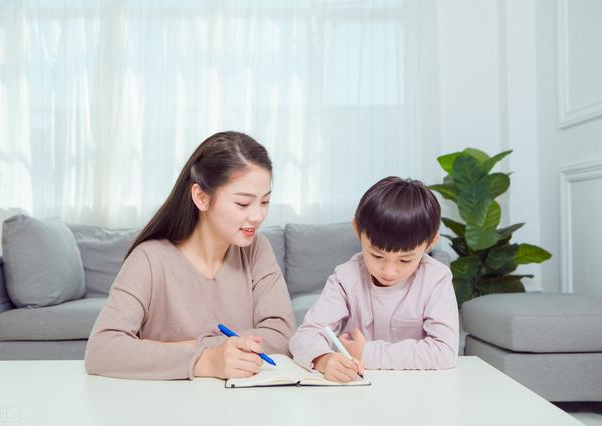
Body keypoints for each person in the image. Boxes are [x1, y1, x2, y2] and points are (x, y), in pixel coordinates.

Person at [85, 131, 295, 380]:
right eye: (243, 203)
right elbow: (102, 350)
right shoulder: (149, 259)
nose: (258, 216)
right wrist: (206, 361)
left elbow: (282, 337)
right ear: (201, 198)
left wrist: (181, 348)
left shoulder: (257, 250)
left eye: (265, 202)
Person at [289, 176, 458, 382]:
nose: (389, 271)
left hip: (417, 388)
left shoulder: (436, 279)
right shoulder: (346, 277)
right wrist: (324, 359)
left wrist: (365, 353)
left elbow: (445, 352)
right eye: (377, 255)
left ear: (430, 243)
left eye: (405, 260)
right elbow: (304, 336)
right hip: (357, 387)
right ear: (357, 230)